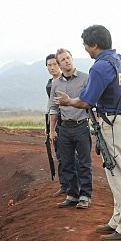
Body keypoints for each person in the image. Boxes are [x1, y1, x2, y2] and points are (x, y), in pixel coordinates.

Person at [55, 24, 121, 241]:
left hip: (112, 123)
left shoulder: (100, 67)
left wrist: (68, 100)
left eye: (85, 45)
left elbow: (85, 101)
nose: (85, 50)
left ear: (95, 45)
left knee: (117, 176)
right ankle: (117, 220)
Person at [48, 48, 92, 209]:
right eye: (63, 60)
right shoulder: (56, 83)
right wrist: (52, 130)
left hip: (81, 126)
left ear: (72, 59)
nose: (67, 61)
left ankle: (85, 196)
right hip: (64, 128)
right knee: (67, 163)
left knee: (84, 163)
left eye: (68, 58)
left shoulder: (85, 78)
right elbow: (53, 108)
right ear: (59, 64)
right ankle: (72, 194)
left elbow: (92, 103)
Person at [44, 53, 66, 196]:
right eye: (49, 65)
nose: (52, 68)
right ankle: (64, 185)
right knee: (59, 155)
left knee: (71, 156)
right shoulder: (49, 85)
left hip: (69, 122)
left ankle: (78, 188)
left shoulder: (67, 81)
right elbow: (51, 106)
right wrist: (48, 128)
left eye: (54, 64)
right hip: (55, 122)